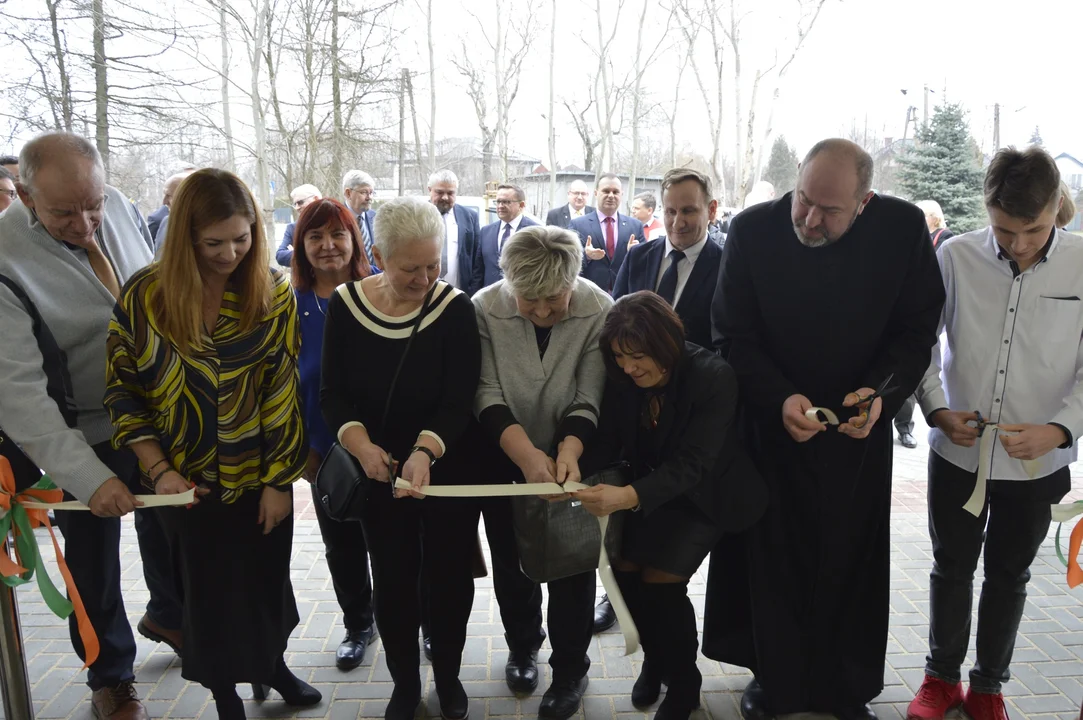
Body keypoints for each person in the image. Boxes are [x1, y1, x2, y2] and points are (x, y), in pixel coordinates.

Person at [706, 138, 945, 719]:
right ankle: (773, 677)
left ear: (864, 202)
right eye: (803, 200)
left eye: (829, 211)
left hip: (856, 434)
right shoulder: (754, 230)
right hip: (773, 425)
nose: (809, 219)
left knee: (848, 557)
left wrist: (879, 396)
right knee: (773, 556)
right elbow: (731, 333)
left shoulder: (903, 229)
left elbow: (916, 330)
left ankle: (842, 683)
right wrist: (779, 397)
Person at [103, 168, 317, 720]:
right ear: (185, 238)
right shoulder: (145, 295)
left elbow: (280, 391)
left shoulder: (269, 288)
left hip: (256, 476)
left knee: (267, 583)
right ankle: (225, 695)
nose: (229, 254)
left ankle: (274, 667)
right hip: (185, 483)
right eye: (213, 242)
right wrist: (156, 470)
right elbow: (124, 390)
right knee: (208, 593)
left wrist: (278, 483)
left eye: (242, 238)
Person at [0, 132, 180, 720]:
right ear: (25, 195)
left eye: (94, 204)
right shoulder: (2, 258)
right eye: (63, 213)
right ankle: (110, 675)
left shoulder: (120, 207)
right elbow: (19, 393)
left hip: (155, 414)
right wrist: (83, 475)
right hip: (84, 429)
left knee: (176, 527)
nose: (86, 224)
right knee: (93, 561)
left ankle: (171, 615)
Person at [907, 147, 1082, 720]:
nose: (1020, 245)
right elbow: (919, 344)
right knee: (950, 568)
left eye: (1032, 229)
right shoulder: (955, 257)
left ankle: (988, 686)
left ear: (1057, 207)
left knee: (1010, 574)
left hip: (1037, 463)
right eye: (1005, 230)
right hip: (958, 451)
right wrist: (935, 409)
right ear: (987, 210)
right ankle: (939, 679)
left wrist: (1061, 429)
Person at [320, 195, 482, 720]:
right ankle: (405, 684)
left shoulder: (455, 307)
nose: (424, 279)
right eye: (409, 268)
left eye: (433, 264)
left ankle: (451, 678)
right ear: (377, 254)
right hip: (379, 473)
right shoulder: (346, 304)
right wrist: (363, 447)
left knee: (449, 577)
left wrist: (424, 452)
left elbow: (460, 399)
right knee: (391, 579)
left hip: (444, 466)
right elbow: (333, 394)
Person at [579, 292, 766, 720]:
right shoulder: (622, 376)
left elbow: (695, 463)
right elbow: (608, 438)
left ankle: (684, 684)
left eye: (638, 357)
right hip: (651, 487)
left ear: (665, 343)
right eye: (619, 358)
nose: (628, 368)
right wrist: (569, 473)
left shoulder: (712, 375)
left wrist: (625, 497)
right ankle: (657, 660)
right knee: (625, 579)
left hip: (708, 493)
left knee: (661, 586)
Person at [472, 225, 613, 719]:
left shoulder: (598, 308)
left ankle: (571, 670)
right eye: (529, 301)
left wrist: (568, 449)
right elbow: (485, 391)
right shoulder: (485, 306)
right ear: (508, 281)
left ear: (574, 278)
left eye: (554, 299)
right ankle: (522, 646)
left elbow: (589, 393)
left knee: (573, 567)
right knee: (513, 561)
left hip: (575, 454)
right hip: (505, 455)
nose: (542, 312)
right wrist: (528, 458)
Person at [290, 197, 378, 670]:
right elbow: (283, 383)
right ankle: (358, 623)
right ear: (301, 245)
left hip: (384, 450)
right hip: (322, 453)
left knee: (396, 542)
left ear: (353, 240)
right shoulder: (289, 305)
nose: (328, 246)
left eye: (338, 235)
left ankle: (411, 617)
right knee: (341, 543)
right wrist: (303, 451)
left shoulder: (378, 293)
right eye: (315, 236)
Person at [614, 167, 725, 350]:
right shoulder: (637, 258)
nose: (677, 223)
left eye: (688, 211)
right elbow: (615, 321)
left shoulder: (726, 269)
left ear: (711, 210)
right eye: (670, 212)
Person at [570, 174, 644, 293]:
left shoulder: (635, 226)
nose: (611, 196)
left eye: (615, 192)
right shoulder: (577, 225)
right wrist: (586, 255)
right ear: (596, 193)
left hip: (623, 295)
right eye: (606, 191)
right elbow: (568, 262)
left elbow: (644, 265)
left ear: (621, 195)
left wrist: (635, 253)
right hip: (589, 295)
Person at [474, 184, 540, 291]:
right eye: (498, 202)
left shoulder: (535, 231)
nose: (500, 206)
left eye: (506, 202)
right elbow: (478, 271)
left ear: (521, 205)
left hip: (522, 297)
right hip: (490, 299)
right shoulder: (486, 232)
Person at [428, 169, 482, 294]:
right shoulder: (417, 215)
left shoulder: (469, 217)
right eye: (439, 192)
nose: (445, 197)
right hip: (424, 293)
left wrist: (472, 293)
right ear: (429, 190)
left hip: (459, 293)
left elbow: (477, 260)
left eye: (450, 193)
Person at [275, 183, 322, 266]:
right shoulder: (292, 228)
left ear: (316, 199)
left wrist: (296, 252)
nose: (297, 207)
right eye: (295, 204)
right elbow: (280, 256)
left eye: (300, 202)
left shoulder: (333, 223)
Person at [146, 169, 195, 248]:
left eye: (169, 196)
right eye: (165, 195)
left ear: (188, 197)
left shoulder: (209, 228)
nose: (164, 202)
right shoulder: (166, 223)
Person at [342, 169, 378, 265]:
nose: (369, 197)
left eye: (371, 193)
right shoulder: (336, 219)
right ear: (348, 193)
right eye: (364, 192)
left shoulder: (377, 218)